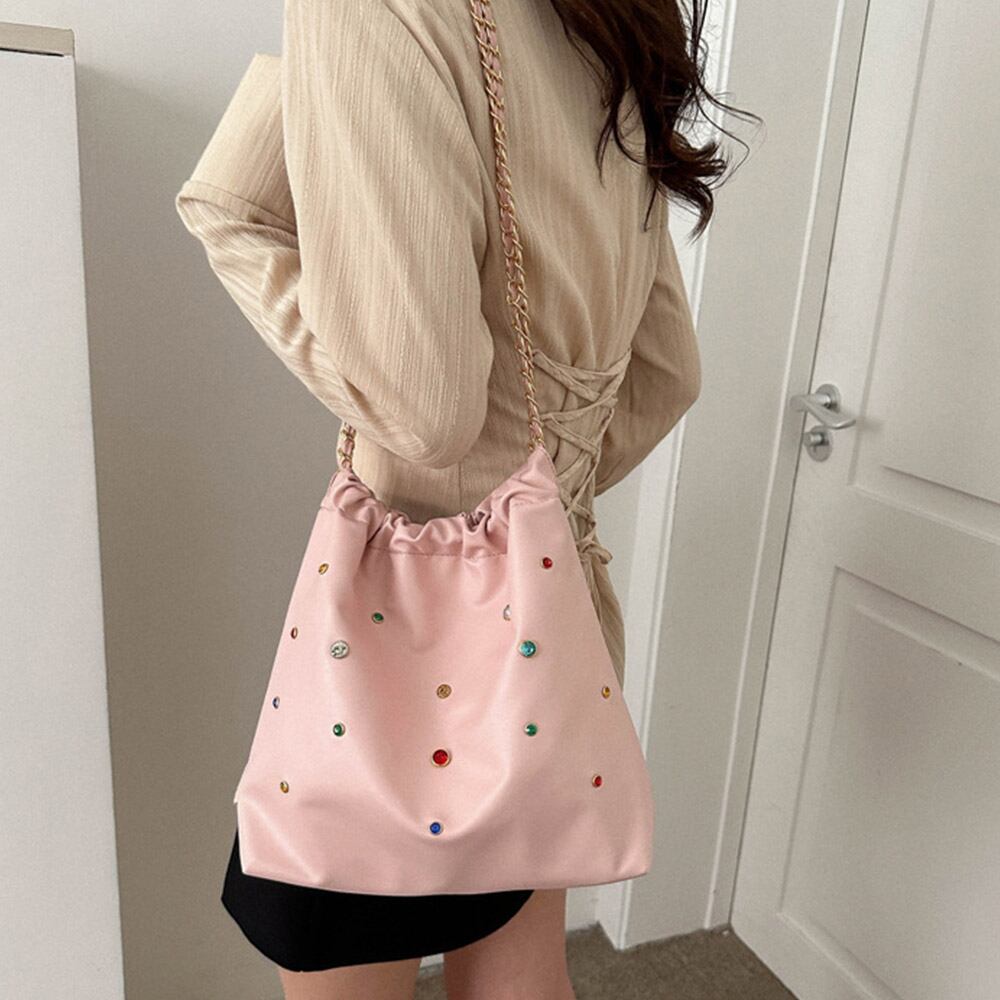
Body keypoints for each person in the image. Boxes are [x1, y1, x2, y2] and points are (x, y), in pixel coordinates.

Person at [175, 0, 752, 997]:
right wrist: (531, 503)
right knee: (519, 976)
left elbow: (423, 407)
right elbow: (666, 377)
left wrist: (233, 212)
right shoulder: (610, 20)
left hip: (394, 672)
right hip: (550, 630)